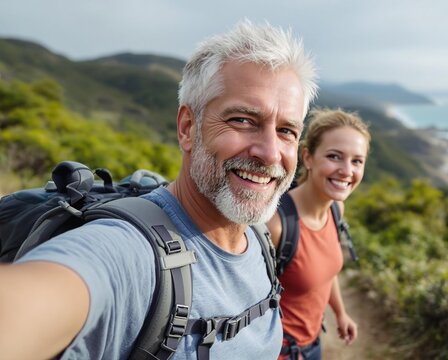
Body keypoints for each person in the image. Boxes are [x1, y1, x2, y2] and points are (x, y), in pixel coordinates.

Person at [0, 20, 318, 359]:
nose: (270, 153)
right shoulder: (129, 253)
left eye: (286, 131)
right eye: (242, 120)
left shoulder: (259, 239)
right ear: (187, 128)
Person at [267, 109, 370, 360]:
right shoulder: (277, 225)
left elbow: (325, 271)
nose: (347, 171)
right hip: (279, 352)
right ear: (308, 157)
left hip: (313, 344)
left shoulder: (336, 209)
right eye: (335, 156)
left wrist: (340, 312)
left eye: (357, 161)